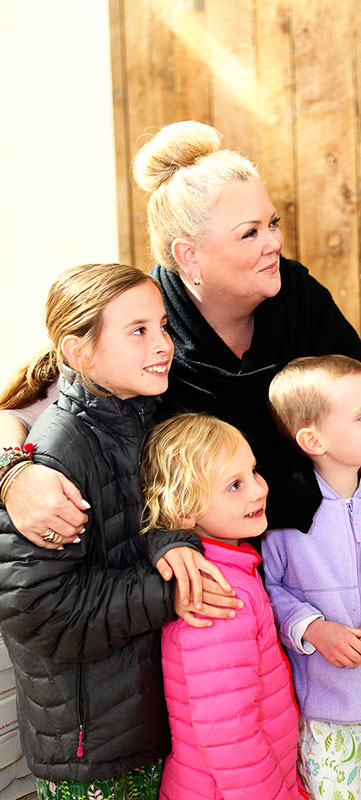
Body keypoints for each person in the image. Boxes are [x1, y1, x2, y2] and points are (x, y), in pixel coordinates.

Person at [0, 121, 361, 581]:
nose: (274, 243)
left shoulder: (300, 297)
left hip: (316, 556)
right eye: (250, 233)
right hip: (212, 575)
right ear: (188, 255)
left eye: (273, 223)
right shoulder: (146, 323)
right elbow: (24, 406)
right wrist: (12, 474)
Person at [0, 263, 227, 798]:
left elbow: (138, 519)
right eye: (139, 331)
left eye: (163, 326)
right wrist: (170, 593)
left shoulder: (137, 413)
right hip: (91, 744)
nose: (163, 344)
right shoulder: (58, 454)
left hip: (136, 713)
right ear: (81, 353)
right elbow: (41, 611)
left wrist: (174, 542)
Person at [262, 355, 361, 800]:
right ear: (313, 439)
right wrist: (313, 628)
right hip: (319, 718)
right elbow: (268, 591)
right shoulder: (285, 518)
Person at [139, 412, 309, 799]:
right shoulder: (216, 596)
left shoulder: (232, 568)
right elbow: (230, 736)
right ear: (184, 509)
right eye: (234, 485)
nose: (257, 490)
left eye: (253, 472)